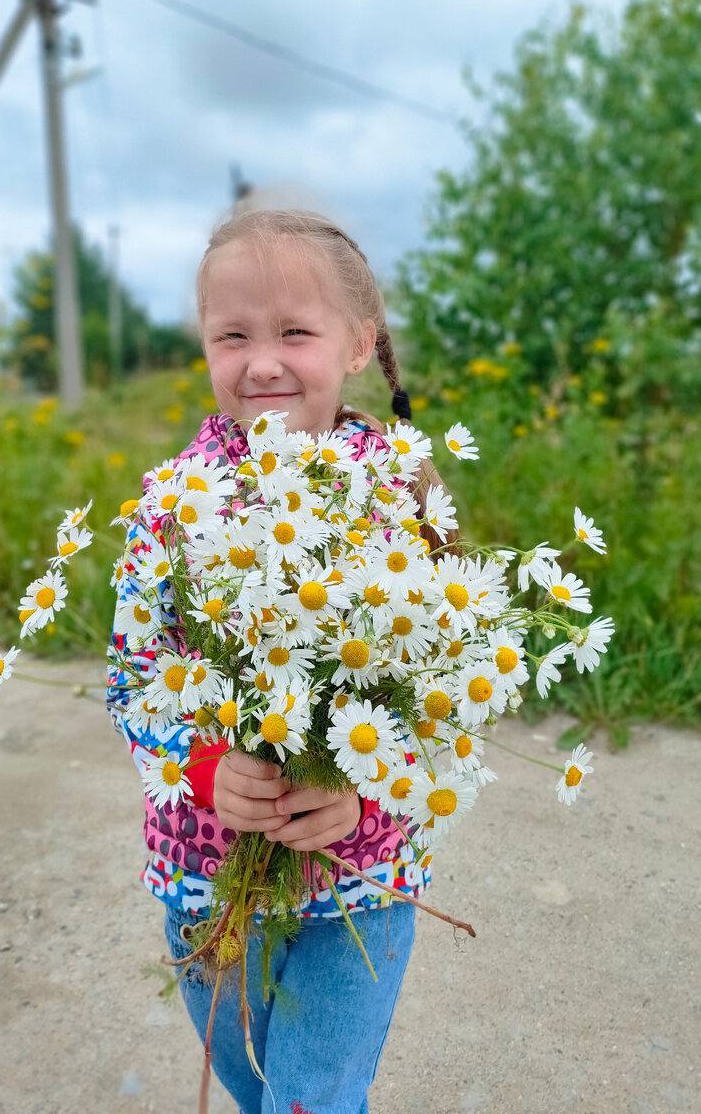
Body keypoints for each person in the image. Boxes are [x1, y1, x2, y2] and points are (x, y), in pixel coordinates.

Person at [106, 208, 459, 1114]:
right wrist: (206, 764)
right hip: (206, 877)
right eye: (233, 335)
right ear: (206, 346)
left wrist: (367, 781)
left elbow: (445, 684)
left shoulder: (401, 493)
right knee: (251, 1081)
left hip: (363, 875)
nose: (261, 362)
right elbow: (136, 677)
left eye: (294, 331)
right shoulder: (170, 507)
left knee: (314, 1095)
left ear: (356, 346)